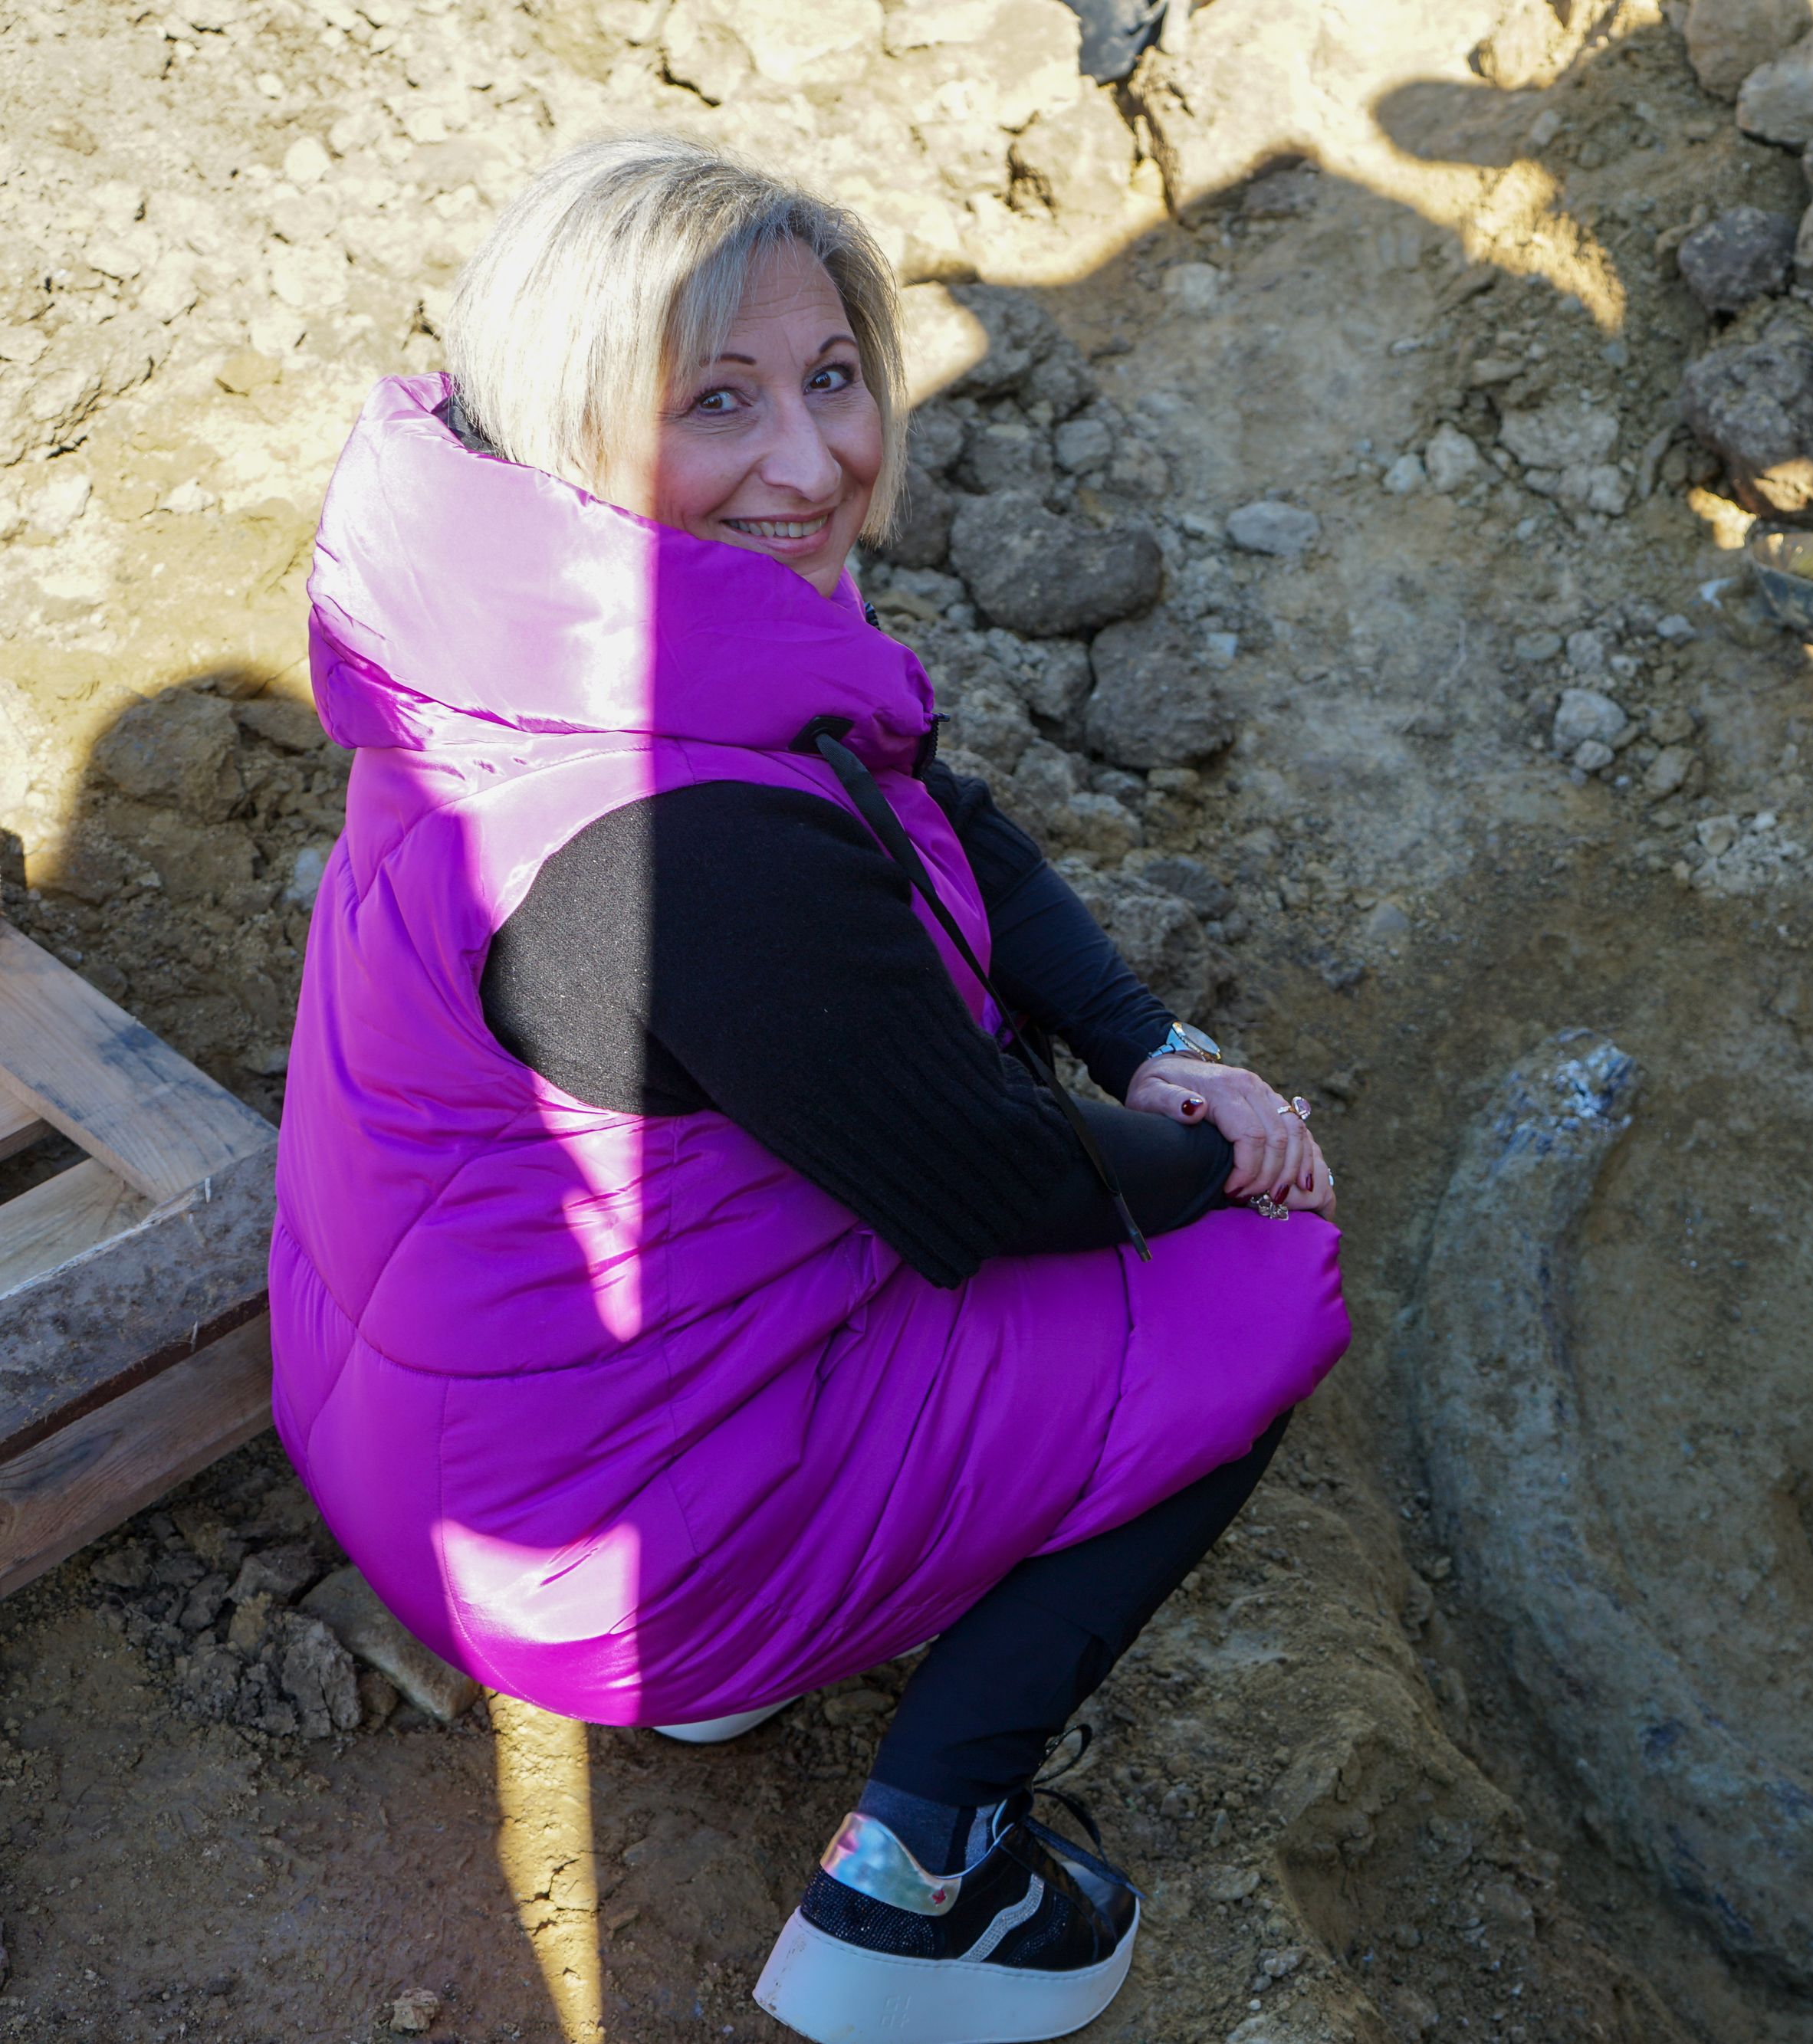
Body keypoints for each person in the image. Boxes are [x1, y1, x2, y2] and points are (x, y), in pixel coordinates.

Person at [268, 133, 1349, 2044]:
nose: (810, 460)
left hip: (465, 1438)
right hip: (582, 1547)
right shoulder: (688, 844)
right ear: (568, 418)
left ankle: (735, 1667)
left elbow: (940, 808)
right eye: (715, 402)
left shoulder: (546, 638)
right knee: (1264, 1291)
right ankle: (917, 1888)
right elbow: (993, 1181)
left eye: (831, 375)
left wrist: (1145, 1038)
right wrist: (1221, 1151)